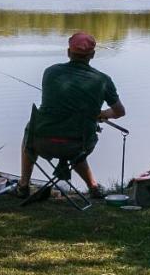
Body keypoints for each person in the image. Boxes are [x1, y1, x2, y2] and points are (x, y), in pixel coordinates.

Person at [16, 32, 125, 201]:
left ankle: (23, 185)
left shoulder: (50, 72)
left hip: (41, 142)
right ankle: (93, 188)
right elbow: (119, 112)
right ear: (93, 55)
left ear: (68, 52)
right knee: (76, 139)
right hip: (78, 144)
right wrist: (101, 114)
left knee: (30, 131)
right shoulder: (103, 80)